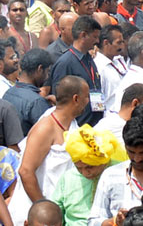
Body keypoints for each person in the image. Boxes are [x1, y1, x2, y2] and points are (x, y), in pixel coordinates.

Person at [57, 125, 124, 226]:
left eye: (89, 167)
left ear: (103, 162)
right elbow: (57, 216)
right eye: (78, 167)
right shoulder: (68, 178)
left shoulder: (119, 174)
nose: (84, 172)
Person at [19, 74, 90, 202]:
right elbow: (25, 171)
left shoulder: (73, 125)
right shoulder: (46, 127)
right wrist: (42, 206)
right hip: (41, 212)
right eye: (86, 97)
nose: (88, 101)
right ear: (76, 99)